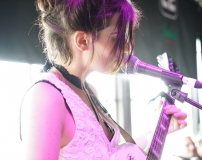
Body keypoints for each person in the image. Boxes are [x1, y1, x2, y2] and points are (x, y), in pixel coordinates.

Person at [20, 0, 188, 159]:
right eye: (116, 37)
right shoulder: (46, 96)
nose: (127, 47)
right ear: (83, 40)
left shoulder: (89, 91)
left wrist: (155, 130)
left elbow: (109, 154)